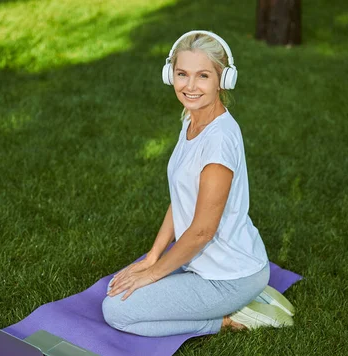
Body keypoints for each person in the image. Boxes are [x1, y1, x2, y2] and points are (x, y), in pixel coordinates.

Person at [102, 31, 293, 337]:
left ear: (223, 80)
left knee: (117, 311)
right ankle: (223, 302)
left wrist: (152, 274)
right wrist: (152, 257)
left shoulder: (218, 144)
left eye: (203, 76)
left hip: (228, 278)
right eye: (182, 74)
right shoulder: (191, 118)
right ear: (170, 75)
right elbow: (182, 198)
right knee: (118, 287)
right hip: (203, 263)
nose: (190, 86)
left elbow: (202, 231)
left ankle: (229, 318)